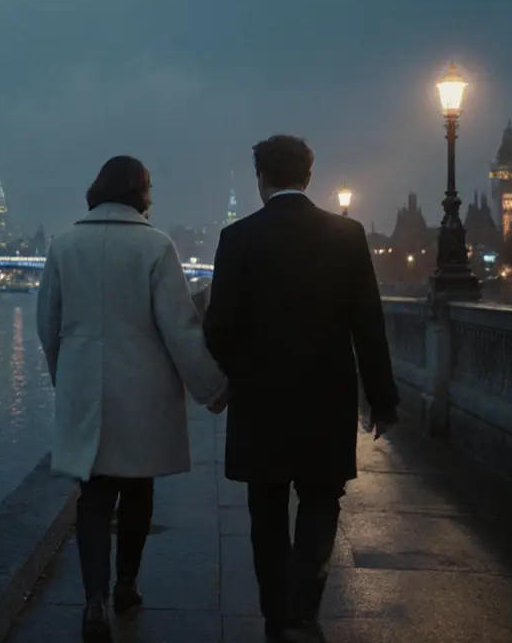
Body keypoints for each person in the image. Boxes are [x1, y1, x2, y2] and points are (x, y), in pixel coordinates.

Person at [203, 135, 399, 643]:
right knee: (320, 500)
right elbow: (368, 325)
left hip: (259, 398)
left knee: (265, 509)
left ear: (260, 178)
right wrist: (382, 399)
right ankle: (301, 610)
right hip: (326, 396)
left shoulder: (237, 238)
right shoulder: (347, 235)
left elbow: (219, 326)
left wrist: (221, 378)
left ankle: (276, 615)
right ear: (308, 176)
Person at [37, 155, 223, 643]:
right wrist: (212, 388)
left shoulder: (64, 245)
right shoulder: (156, 246)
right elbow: (180, 329)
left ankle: (93, 599)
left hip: (85, 388)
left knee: (94, 496)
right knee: (138, 491)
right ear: (141, 192)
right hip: (143, 389)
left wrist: (66, 377)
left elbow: (47, 325)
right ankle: (126, 585)